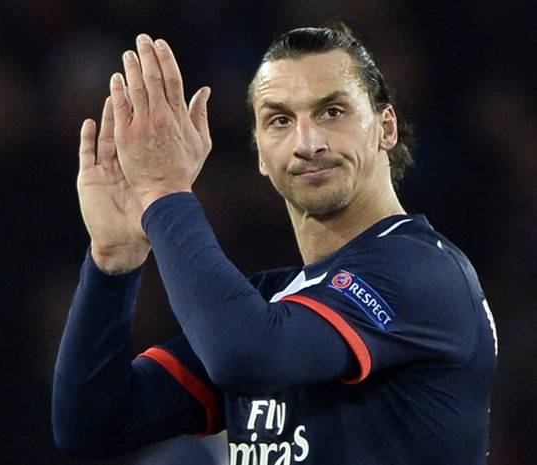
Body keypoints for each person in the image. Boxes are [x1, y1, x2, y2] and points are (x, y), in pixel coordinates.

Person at [52, 21, 497, 465]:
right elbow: (90, 425)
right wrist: (113, 264)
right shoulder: (271, 304)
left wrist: (164, 193)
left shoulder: (423, 272)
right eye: (280, 120)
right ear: (261, 155)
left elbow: (245, 356)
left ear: (386, 128)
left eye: (332, 112)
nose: (308, 143)